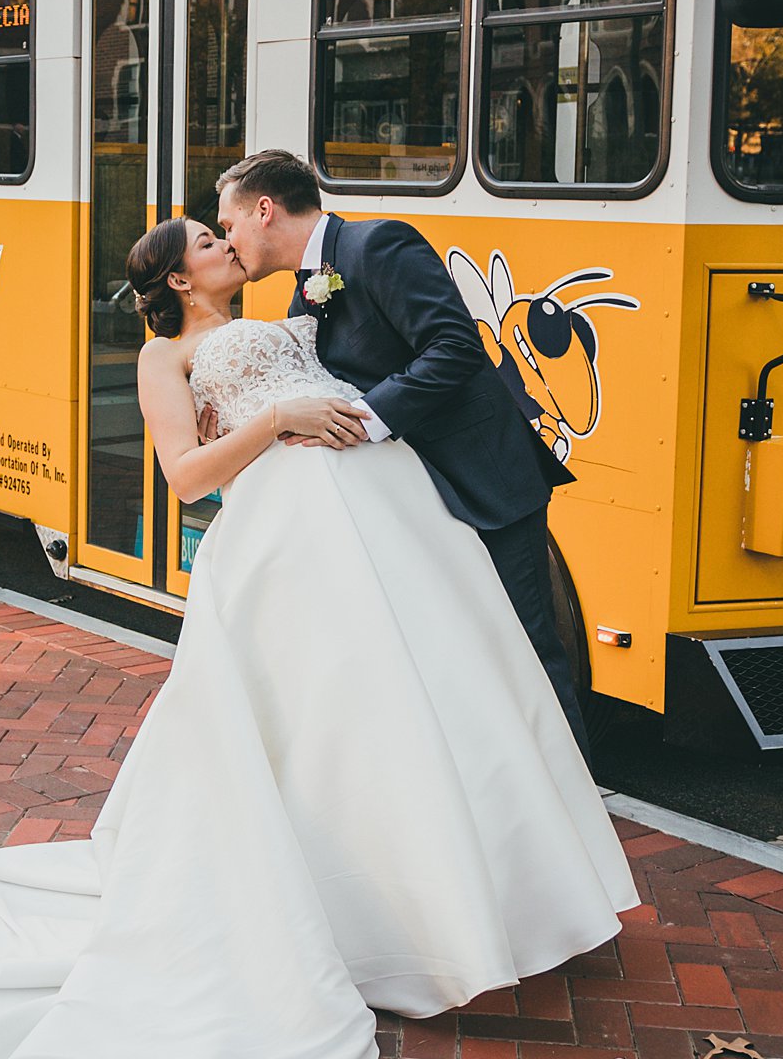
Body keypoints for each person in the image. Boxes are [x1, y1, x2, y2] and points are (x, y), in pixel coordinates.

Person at [0, 214, 638, 1059]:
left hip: (390, 511)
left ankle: (479, 901)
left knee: (422, 707)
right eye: (209, 243)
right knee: (323, 717)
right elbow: (185, 478)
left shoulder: (308, 305)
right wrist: (275, 418)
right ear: (180, 281)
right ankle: (368, 920)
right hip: (288, 531)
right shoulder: (164, 357)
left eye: (226, 233)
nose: (228, 245)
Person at [215, 149, 594, 765]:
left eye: (228, 225)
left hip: (483, 480)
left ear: (264, 210)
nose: (229, 243)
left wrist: (367, 422)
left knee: (523, 645)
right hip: (415, 500)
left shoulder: (377, 245)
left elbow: (454, 347)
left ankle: (573, 799)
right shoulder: (300, 300)